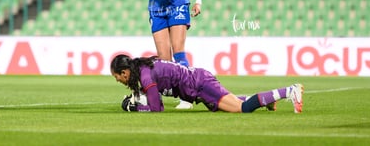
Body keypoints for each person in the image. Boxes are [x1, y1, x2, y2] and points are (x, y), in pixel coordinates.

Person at [110, 54, 304, 113]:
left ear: (125, 72)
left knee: (241, 108)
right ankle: (267, 101)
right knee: (232, 103)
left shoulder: (145, 76)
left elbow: (156, 108)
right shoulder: (143, 70)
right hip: (198, 84)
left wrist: (134, 108)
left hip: (200, 85)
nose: (117, 80)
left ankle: (290, 90)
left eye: (117, 76)